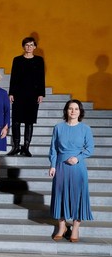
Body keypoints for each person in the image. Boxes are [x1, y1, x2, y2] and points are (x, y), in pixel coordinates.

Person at [49, 99, 94, 243]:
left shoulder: (85, 129)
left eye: (76, 109)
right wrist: (53, 165)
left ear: (80, 112)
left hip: (77, 168)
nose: (73, 111)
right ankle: (61, 226)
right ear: (66, 111)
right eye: (70, 108)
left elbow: (90, 148)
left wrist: (78, 158)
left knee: (78, 196)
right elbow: (53, 149)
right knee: (60, 195)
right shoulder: (58, 128)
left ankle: (75, 227)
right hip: (61, 166)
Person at [8, 37, 46, 157]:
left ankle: (26, 147)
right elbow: (13, 77)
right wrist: (11, 93)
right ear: (23, 46)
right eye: (27, 45)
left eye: (31, 45)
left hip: (33, 95)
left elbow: (41, 78)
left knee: (29, 121)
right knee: (16, 121)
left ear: (35, 47)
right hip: (19, 94)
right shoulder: (17, 60)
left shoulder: (39, 60)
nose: (29, 47)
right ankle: (16, 147)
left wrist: (41, 94)